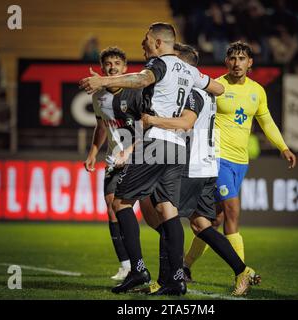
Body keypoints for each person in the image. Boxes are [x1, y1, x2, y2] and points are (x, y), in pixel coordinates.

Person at [79, 22, 224, 295]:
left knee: (120, 203)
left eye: (146, 40)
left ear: (158, 43)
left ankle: (138, 270)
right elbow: (218, 89)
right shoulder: (189, 70)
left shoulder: (160, 64)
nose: (143, 45)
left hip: (155, 142)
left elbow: (142, 80)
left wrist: (104, 80)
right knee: (167, 210)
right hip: (179, 148)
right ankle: (177, 279)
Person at [141, 42, 254, 296]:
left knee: (166, 215)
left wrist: (151, 121)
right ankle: (241, 269)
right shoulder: (208, 93)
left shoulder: (192, 92)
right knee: (201, 225)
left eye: (177, 63)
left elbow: (186, 125)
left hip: (192, 166)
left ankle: (165, 279)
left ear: (186, 66)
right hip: (207, 166)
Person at [183, 41, 297, 279]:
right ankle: (242, 272)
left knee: (214, 221)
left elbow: (266, 122)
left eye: (242, 59)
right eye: (233, 59)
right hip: (218, 158)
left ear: (250, 63)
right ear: (227, 61)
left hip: (240, 162)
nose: (237, 63)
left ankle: (184, 267)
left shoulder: (257, 91)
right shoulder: (216, 87)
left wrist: (283, 147)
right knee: (233, 211)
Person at [84, 47, 142, 282]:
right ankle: (126, 265)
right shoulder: (98, 97)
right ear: (102, 68)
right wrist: (92, 153)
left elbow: (145, 127)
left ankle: (165, 264)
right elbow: (101, 126)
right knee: (111, 207)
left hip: (139, 157)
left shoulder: (136, 92)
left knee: (153, 213)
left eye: (117, 63)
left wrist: (130, 151)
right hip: (113, 159)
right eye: (108, 64)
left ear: (125, 68)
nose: (112, 67)